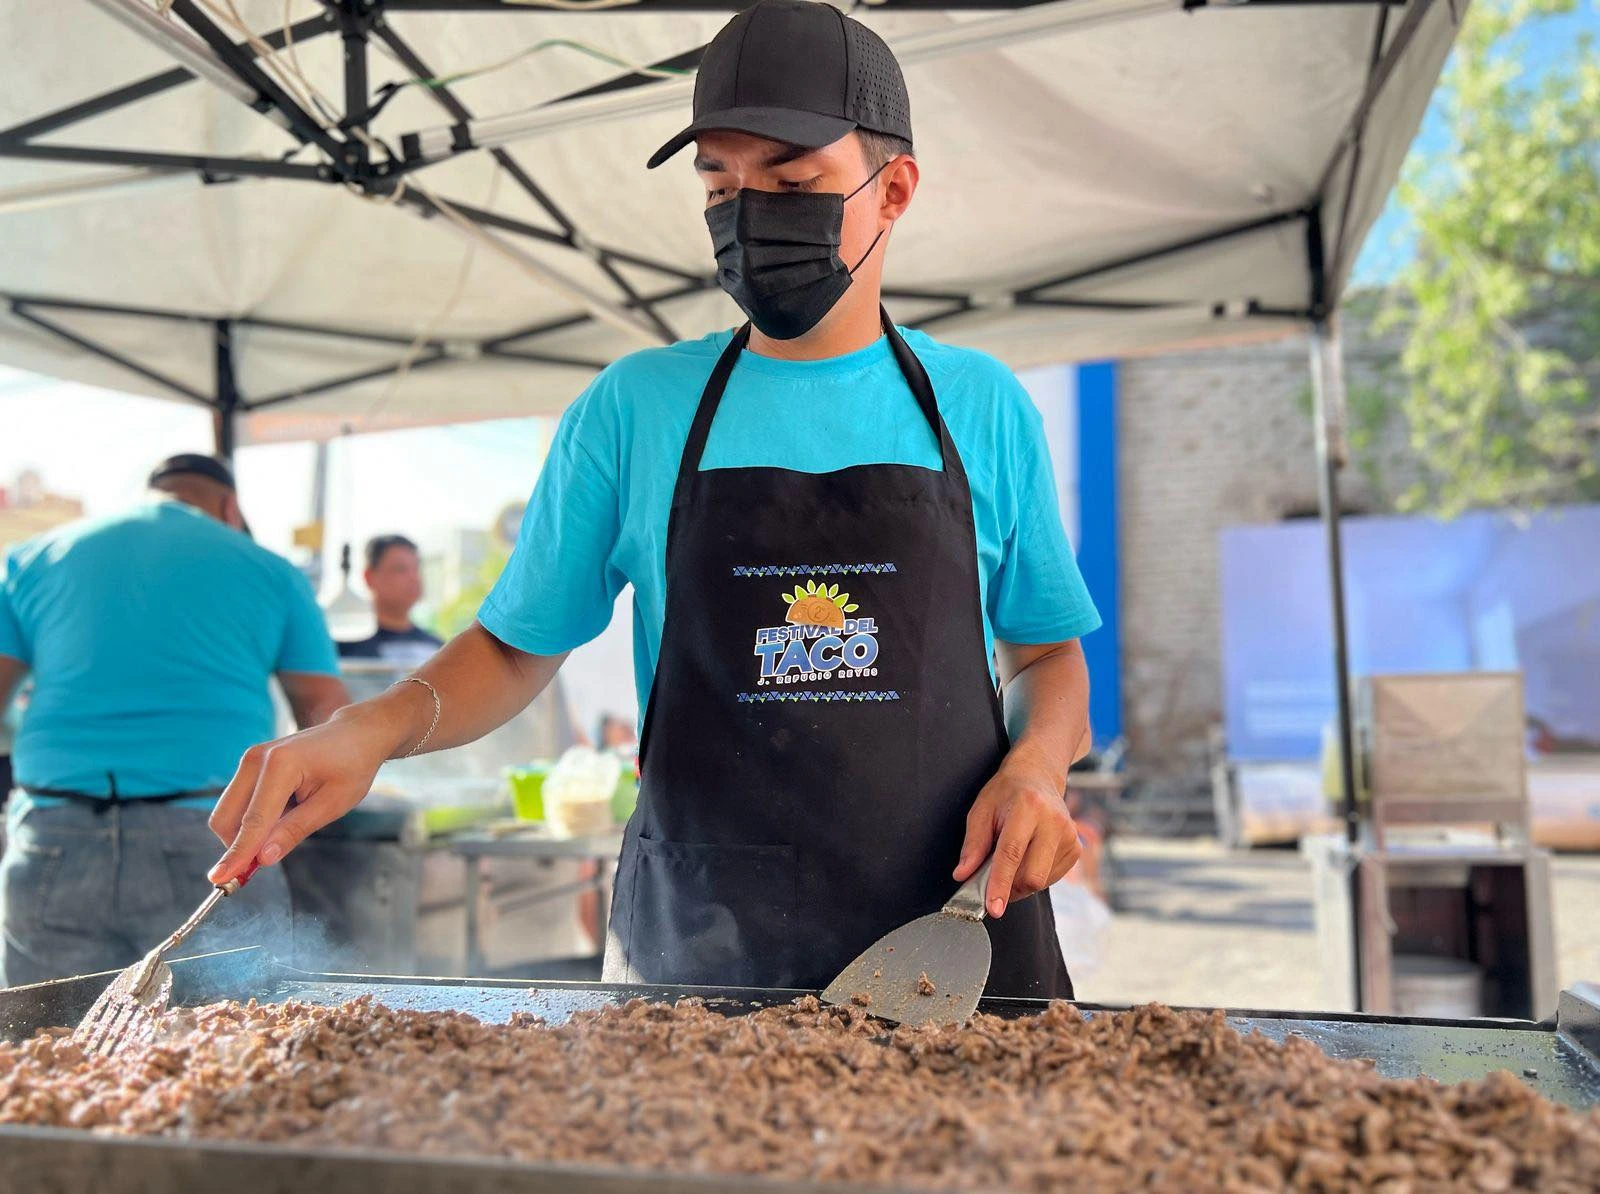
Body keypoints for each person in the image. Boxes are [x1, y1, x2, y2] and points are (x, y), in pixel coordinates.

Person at [207, 0, 1100, 997]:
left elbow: (1045, 653)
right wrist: (366, 729)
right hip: (702, 948)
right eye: (719, 182)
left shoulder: (980, 406)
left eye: (791, 181)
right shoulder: (635, 408)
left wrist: (1036, 771)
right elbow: (512, 646)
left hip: (953, 932)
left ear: (893, 191)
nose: (749, 211)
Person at [0, 454, 348, 985]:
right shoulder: (270, 570)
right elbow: (326, 716)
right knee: (232, 1051)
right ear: (229, 507)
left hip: (54, 835)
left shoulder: (33, 560)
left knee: (47, 1047)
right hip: (213, 837)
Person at [336, 535, 442, 667]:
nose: (414, 578)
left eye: (416, 568)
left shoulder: (438, 648)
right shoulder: (345, 646)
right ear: (369, 577)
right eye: (400, 569)